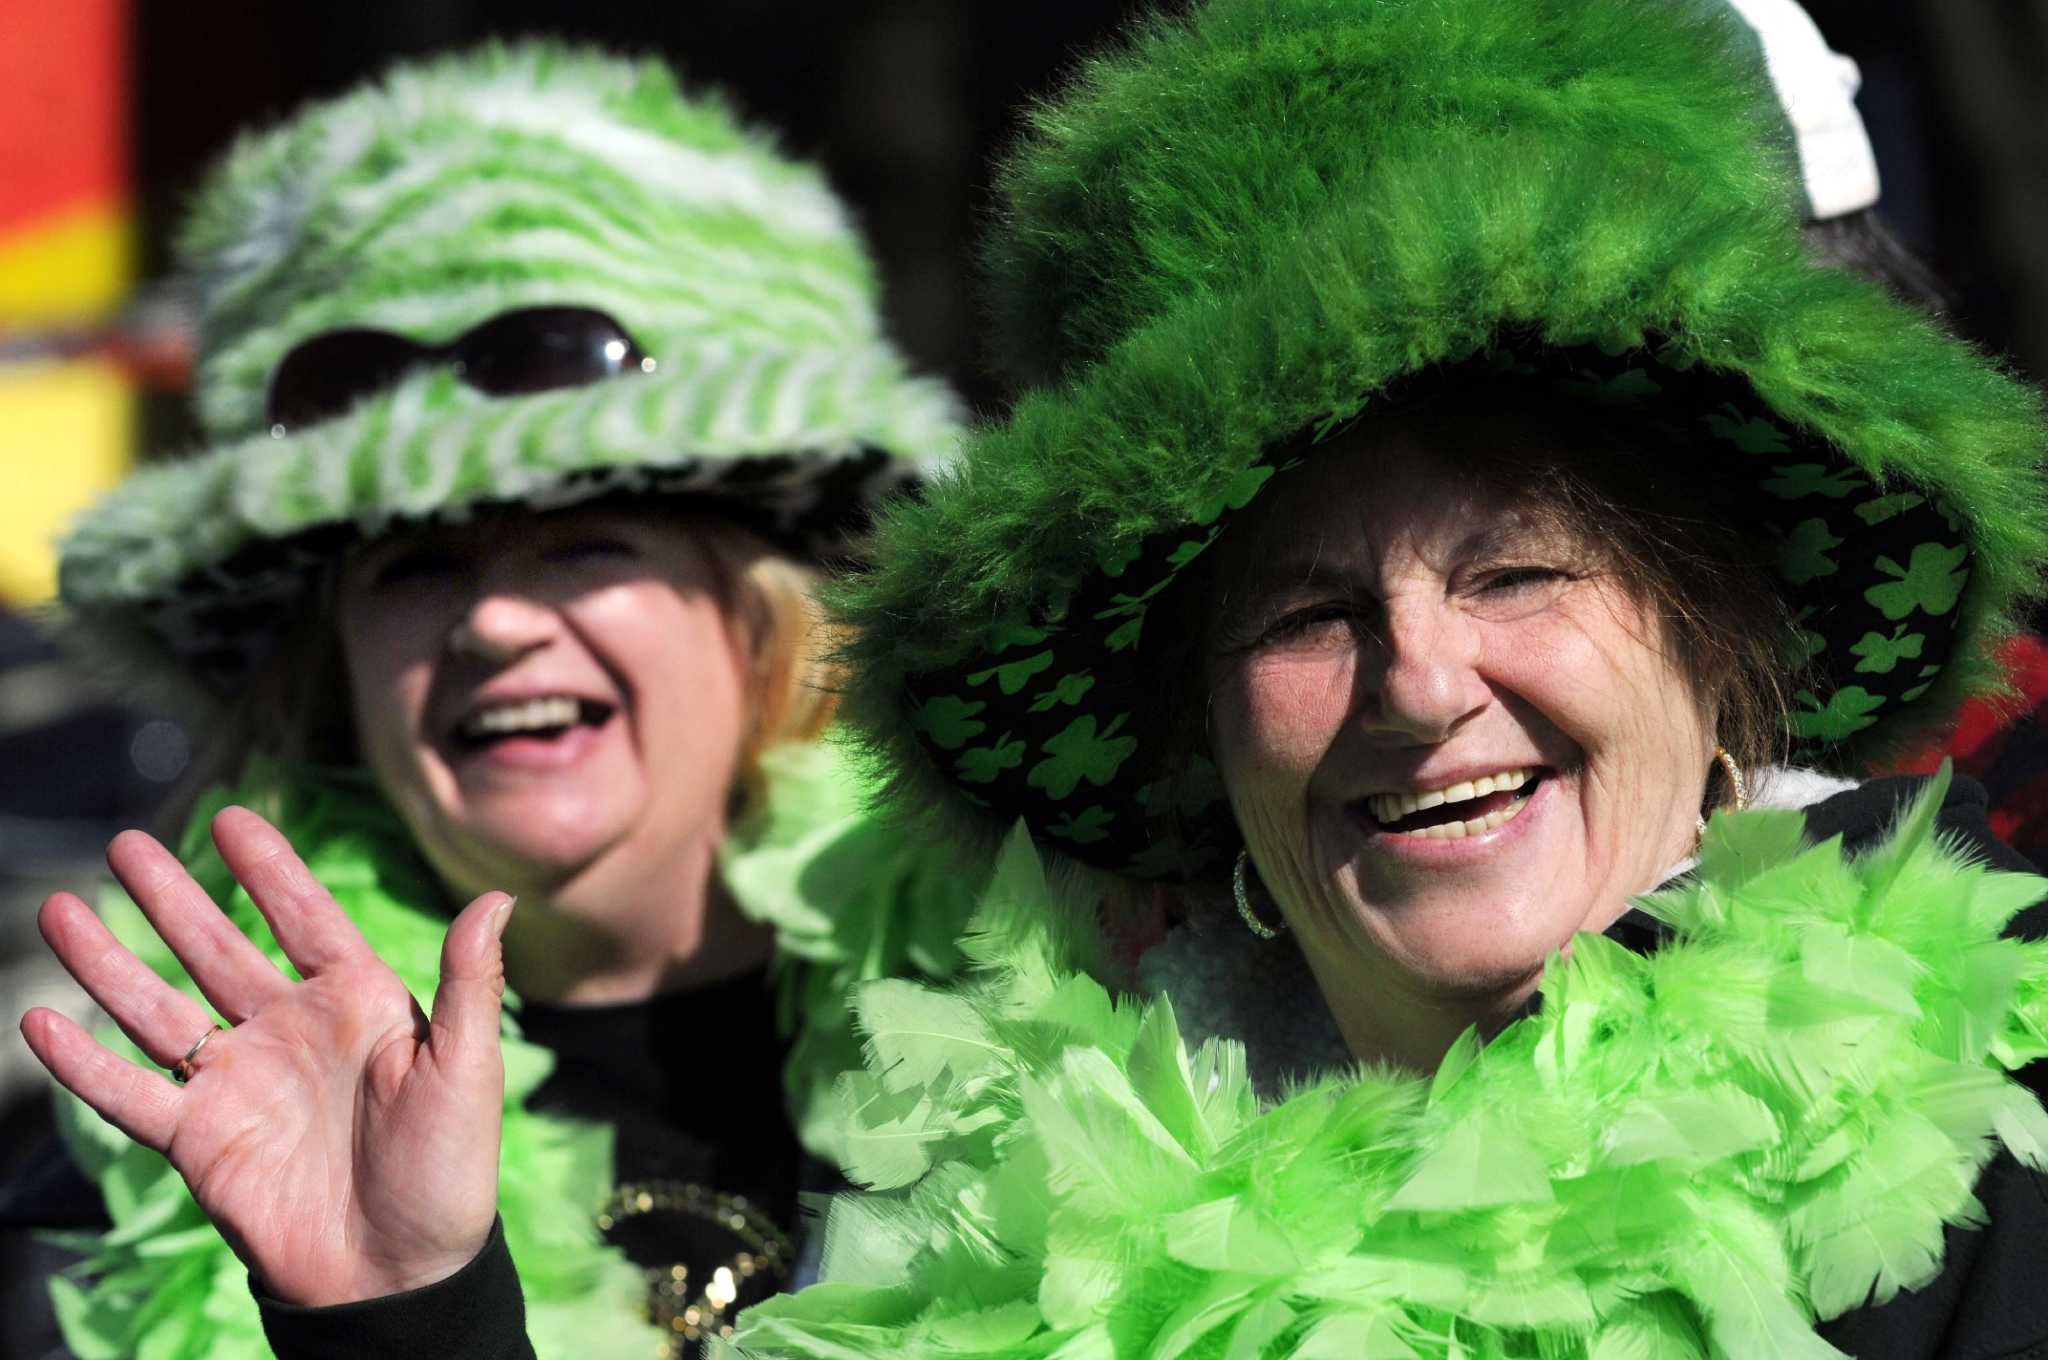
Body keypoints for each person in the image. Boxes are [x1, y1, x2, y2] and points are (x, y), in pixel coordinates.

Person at [741, 0, 2048, 1357]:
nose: (1421, 689)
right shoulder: (995, 1239)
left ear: (1719, 635)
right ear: (1197, 731)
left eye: (1516, 574)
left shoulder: (1999, 1135)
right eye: (1308, 614)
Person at [4, 42, 971, 1360]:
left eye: (586, 544)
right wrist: (385, 1320)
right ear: (329, 662)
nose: (495, 622)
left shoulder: (1068, 1016)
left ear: (759, 611)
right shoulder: (132, 1180)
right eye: (415, 568)